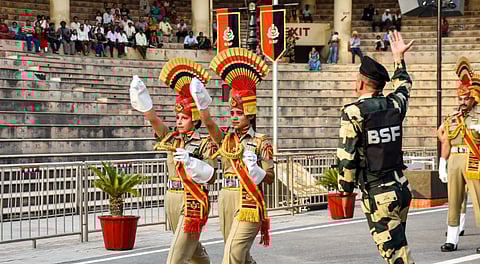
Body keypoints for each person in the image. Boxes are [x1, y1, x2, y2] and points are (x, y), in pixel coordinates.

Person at [337, 31, 415, 263]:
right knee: (397, 244)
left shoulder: (353, 112)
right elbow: (404, 85)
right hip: (400, 188)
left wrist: (345, 192)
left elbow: (347, 157)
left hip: (379, 193)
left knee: (396, 255)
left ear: (361, 82)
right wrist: (398, 59)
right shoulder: (394, 104)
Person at [129, 59, 217, 264]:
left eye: (184, 117)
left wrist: (192, 163)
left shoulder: (204, 143)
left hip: (192, 199)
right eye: (177, 116)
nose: (178, 120)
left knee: (176, 257)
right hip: (172, 196)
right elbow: (154, 121)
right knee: (192, 249)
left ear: (194, 120)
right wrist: (143, 99)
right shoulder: (171, 137)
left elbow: (211, 176)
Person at [192, 47, 274, 264]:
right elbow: (209, 125)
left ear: (250, 113)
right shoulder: (226, 139)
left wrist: (257, 171)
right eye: (232, 113)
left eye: (239, 113)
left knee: (233, 254)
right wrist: (202, 105)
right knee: (239, 254)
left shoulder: (260, 141)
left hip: (249, 200)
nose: (234, 117)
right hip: (226, 196)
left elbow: (271, 176)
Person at [437, 56, 480, 253]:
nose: (463, 102)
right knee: (453, 201)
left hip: (475, 160)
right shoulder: (452, 119)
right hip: (454, 159)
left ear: (474, 98)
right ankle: (452, 239)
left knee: (479, 201)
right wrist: (442, 163)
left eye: (466, 98)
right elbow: (445, 140)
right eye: (460, 99)